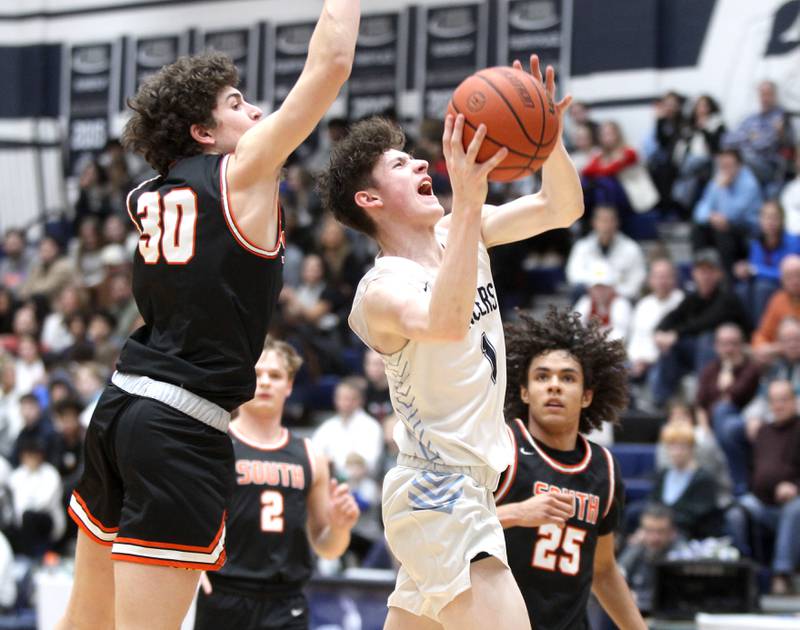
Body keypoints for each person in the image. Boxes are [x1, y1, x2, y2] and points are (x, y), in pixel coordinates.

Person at [57, 3, 361, 629]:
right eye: (236, 103)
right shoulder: (243, 173)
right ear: (203, 131)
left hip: (118, 410)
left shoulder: (152, 192)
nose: (255, 111)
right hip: (179, 425)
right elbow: (330, 62)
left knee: (86, 622)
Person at [318, 55, 582, 630]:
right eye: (399, 163)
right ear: (370, 200)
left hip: (464, 492)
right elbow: (445, 320)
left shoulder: (456, 230)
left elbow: (562, 208)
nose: (420, 162)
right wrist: (467, 200)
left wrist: (548, 140)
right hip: (438, 492)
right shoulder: (380, 289)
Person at [494, 308, 645, 630]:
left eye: (567, 378)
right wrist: (517, 512)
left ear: (587, 396)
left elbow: (603, 569)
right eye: (542, 376)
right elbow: (452, 530)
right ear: (524, 391)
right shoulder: (500, 447)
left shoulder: (604, 468)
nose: (554, 386)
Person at [193, 338, 359, 630]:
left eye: (275, 375)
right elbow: (185, 517)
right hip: (222, 593)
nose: (266, 382)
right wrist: (191, 569)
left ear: (290, 385)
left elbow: (327, 547)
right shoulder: (215, 445)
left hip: (285, 600)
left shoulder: (309, 455)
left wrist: (340, 528)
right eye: (258, 374)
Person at [617, 504, 681, 615]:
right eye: (649, 531)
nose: (655, 538)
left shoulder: (680, 554)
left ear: (672, 532)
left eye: (661, 531)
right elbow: (618, 573)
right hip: (637, 614)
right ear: (641, 531)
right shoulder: (636, 549)